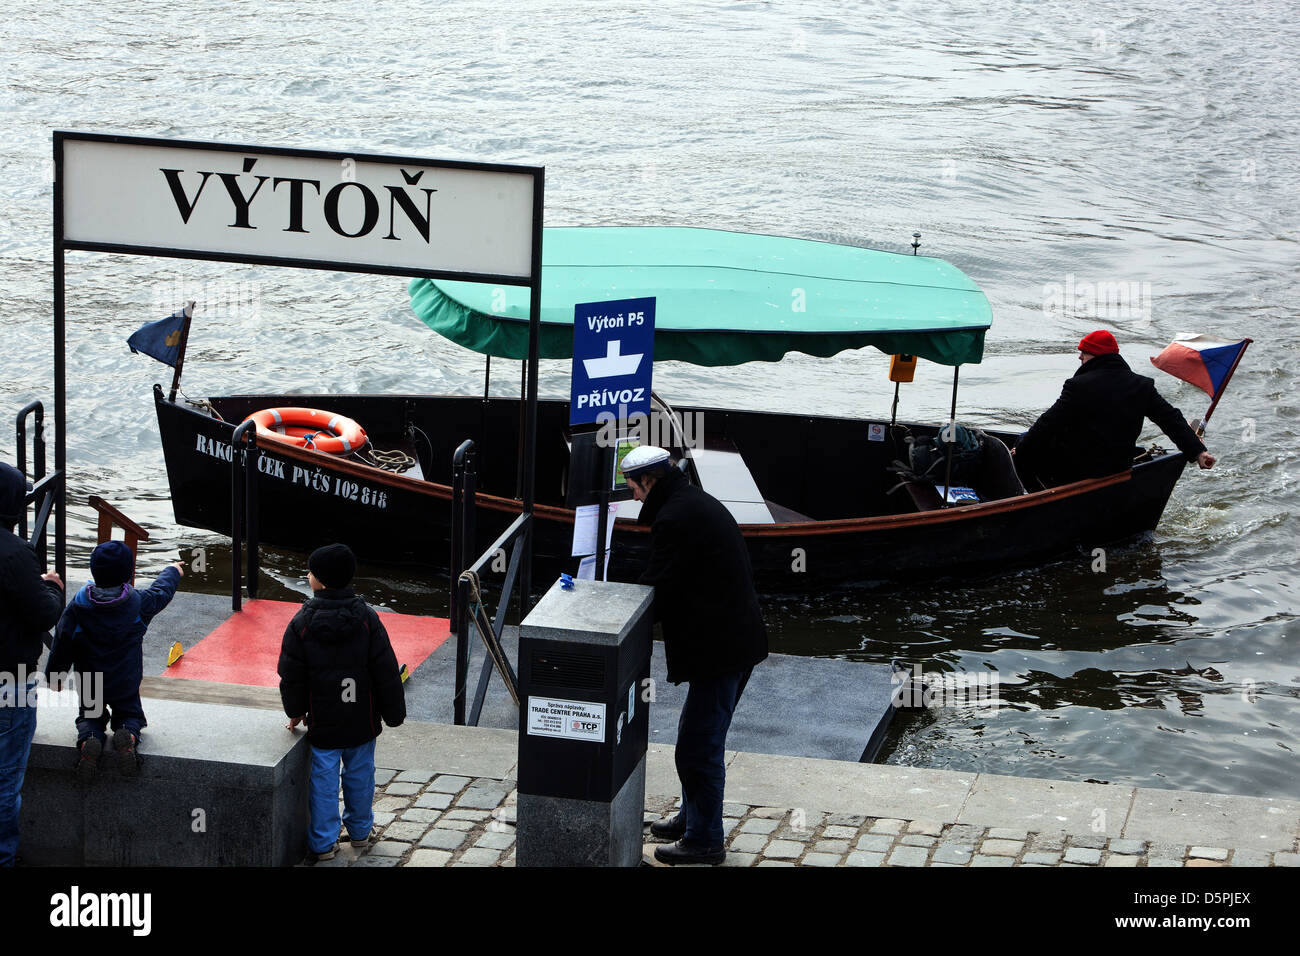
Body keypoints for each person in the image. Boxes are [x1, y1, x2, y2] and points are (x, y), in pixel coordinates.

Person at [621, 445, 768, 866]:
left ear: (649, 481)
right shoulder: (691, 503)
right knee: (698, 738)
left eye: (633, 487)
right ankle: (692, 818)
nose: (633, 497)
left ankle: (705, 840)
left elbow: (660, 585)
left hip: (721, 649)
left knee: (698, 747)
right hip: (732, 642)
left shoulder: (675, 518)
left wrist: (618, 615)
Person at [277, 543, 406, 864]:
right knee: (360, 774)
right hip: (361, 718)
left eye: (309, 572)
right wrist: (393, 713)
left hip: (323, 719)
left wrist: (294, 711)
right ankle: (361, 832)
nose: (307, 576)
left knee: (323, 780)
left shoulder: (301, 622)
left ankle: (322, 843)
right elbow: (386, 670)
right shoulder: (367, 619)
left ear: (317, 581)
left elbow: (292, 674)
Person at [45, 541, 183, 780]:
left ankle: (90, 739)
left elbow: (62, 641)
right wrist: (172, 570)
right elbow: (161, 592)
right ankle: (127, 734)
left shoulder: (77, 606)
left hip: (90, 680)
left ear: (93, 570)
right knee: (130, 714)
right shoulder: (138, 602)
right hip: (125, 679)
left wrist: (55, 676)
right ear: (129, 573)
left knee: (90, 716)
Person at [1013, 330, 1215, 488]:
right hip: (1119, 466)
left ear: (1095, 355)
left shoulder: (1078, 386)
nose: (1080, 357)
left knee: (1024, 442)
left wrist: (1019, 452)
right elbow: (1170, 419)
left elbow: (1047, 424)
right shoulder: (1141, 385)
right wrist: (1198, 452)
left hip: (1079, 470)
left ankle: (1040, 498)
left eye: (1083, 352)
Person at [0, 462, 63, 866]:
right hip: (9, 681)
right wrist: (53, 588)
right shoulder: (15, 554)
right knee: (5, 779)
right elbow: (43, 615)